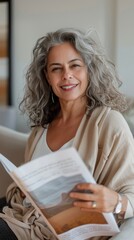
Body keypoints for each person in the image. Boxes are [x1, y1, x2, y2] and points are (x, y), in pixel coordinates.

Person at [0, 27, 134, 240]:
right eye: (56, 68)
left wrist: (116, 202)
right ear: (47, 76)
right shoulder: (40, 129)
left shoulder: (109, 123)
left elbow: (131, 190)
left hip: (55, 232)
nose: (67, 75)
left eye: (75, 65)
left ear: (89, 70)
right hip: (22, 215)